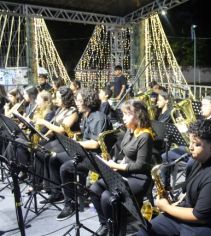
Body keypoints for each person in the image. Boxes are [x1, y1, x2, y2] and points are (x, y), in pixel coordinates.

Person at [138, 119, 211, 236]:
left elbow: (199, 216)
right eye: (190, 142)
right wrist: (177, 203)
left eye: (197, 144)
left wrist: (166, 207)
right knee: (145, 231)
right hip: (191, 213)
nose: (190, 147)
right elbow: (193, 191)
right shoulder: (199, 160)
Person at [89, 99, 154, 235]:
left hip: (139, 177)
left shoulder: (145, 136)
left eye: (127, 114)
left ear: (138, 115)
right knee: (95, 189)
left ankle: (117, 231)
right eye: (123, 114)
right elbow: (125, 154)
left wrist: (117, 166)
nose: (123, 118)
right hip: (125, 172)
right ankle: (106, 224)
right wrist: (112, 163)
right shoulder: (130, 130)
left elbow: (141, 165)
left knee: (108, 197)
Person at [55, 87, 111, 221]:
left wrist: (76, 144)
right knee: (56, 158)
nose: (77, 102)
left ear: (88, 101)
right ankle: (62, 193)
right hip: (86, 152)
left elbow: (94, 144)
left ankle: (71, 204)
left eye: (79, 100)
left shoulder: (98, 117)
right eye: (76, 100)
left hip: (96, 158)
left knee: (65, 168)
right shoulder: (86, 115)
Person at [161, 96, 211, 190]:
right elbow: (190, 136)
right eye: (201, 105)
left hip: (203, 151)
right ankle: (166, 186)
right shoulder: (200, 119)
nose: (201, 108)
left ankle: (188, 189)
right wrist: (184, 127)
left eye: (205, 105)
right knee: (165, 156)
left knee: (191, 164)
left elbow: (205, 137)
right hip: (190, 147)